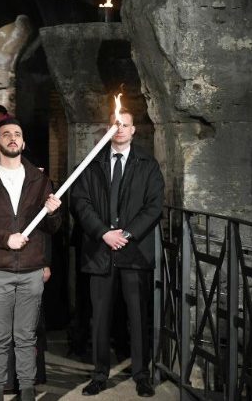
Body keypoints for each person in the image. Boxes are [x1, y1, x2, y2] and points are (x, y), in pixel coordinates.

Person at [0, 118, 62, 401]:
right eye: (6, 134)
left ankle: (27, 389)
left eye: (17, 134)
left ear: (23, 143)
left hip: (31, 269)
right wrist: (5, 239)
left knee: (26, 335)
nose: (12, 138)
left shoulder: (40, 180)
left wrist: (53, 212)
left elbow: (53, 228)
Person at [71, 109, 164, 398]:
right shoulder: (92, 162)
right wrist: (103, 233)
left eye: (125, 125)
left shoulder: (148, 164)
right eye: (116, 124)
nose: (120, 129)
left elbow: (154, 205)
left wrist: (126, 234)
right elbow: (80, 202)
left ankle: (141, 374)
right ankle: (100, 374)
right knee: (99, 317)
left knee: (138, 316)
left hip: (134, 252)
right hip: (100, 251)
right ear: (109, 129)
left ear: (134, 130)